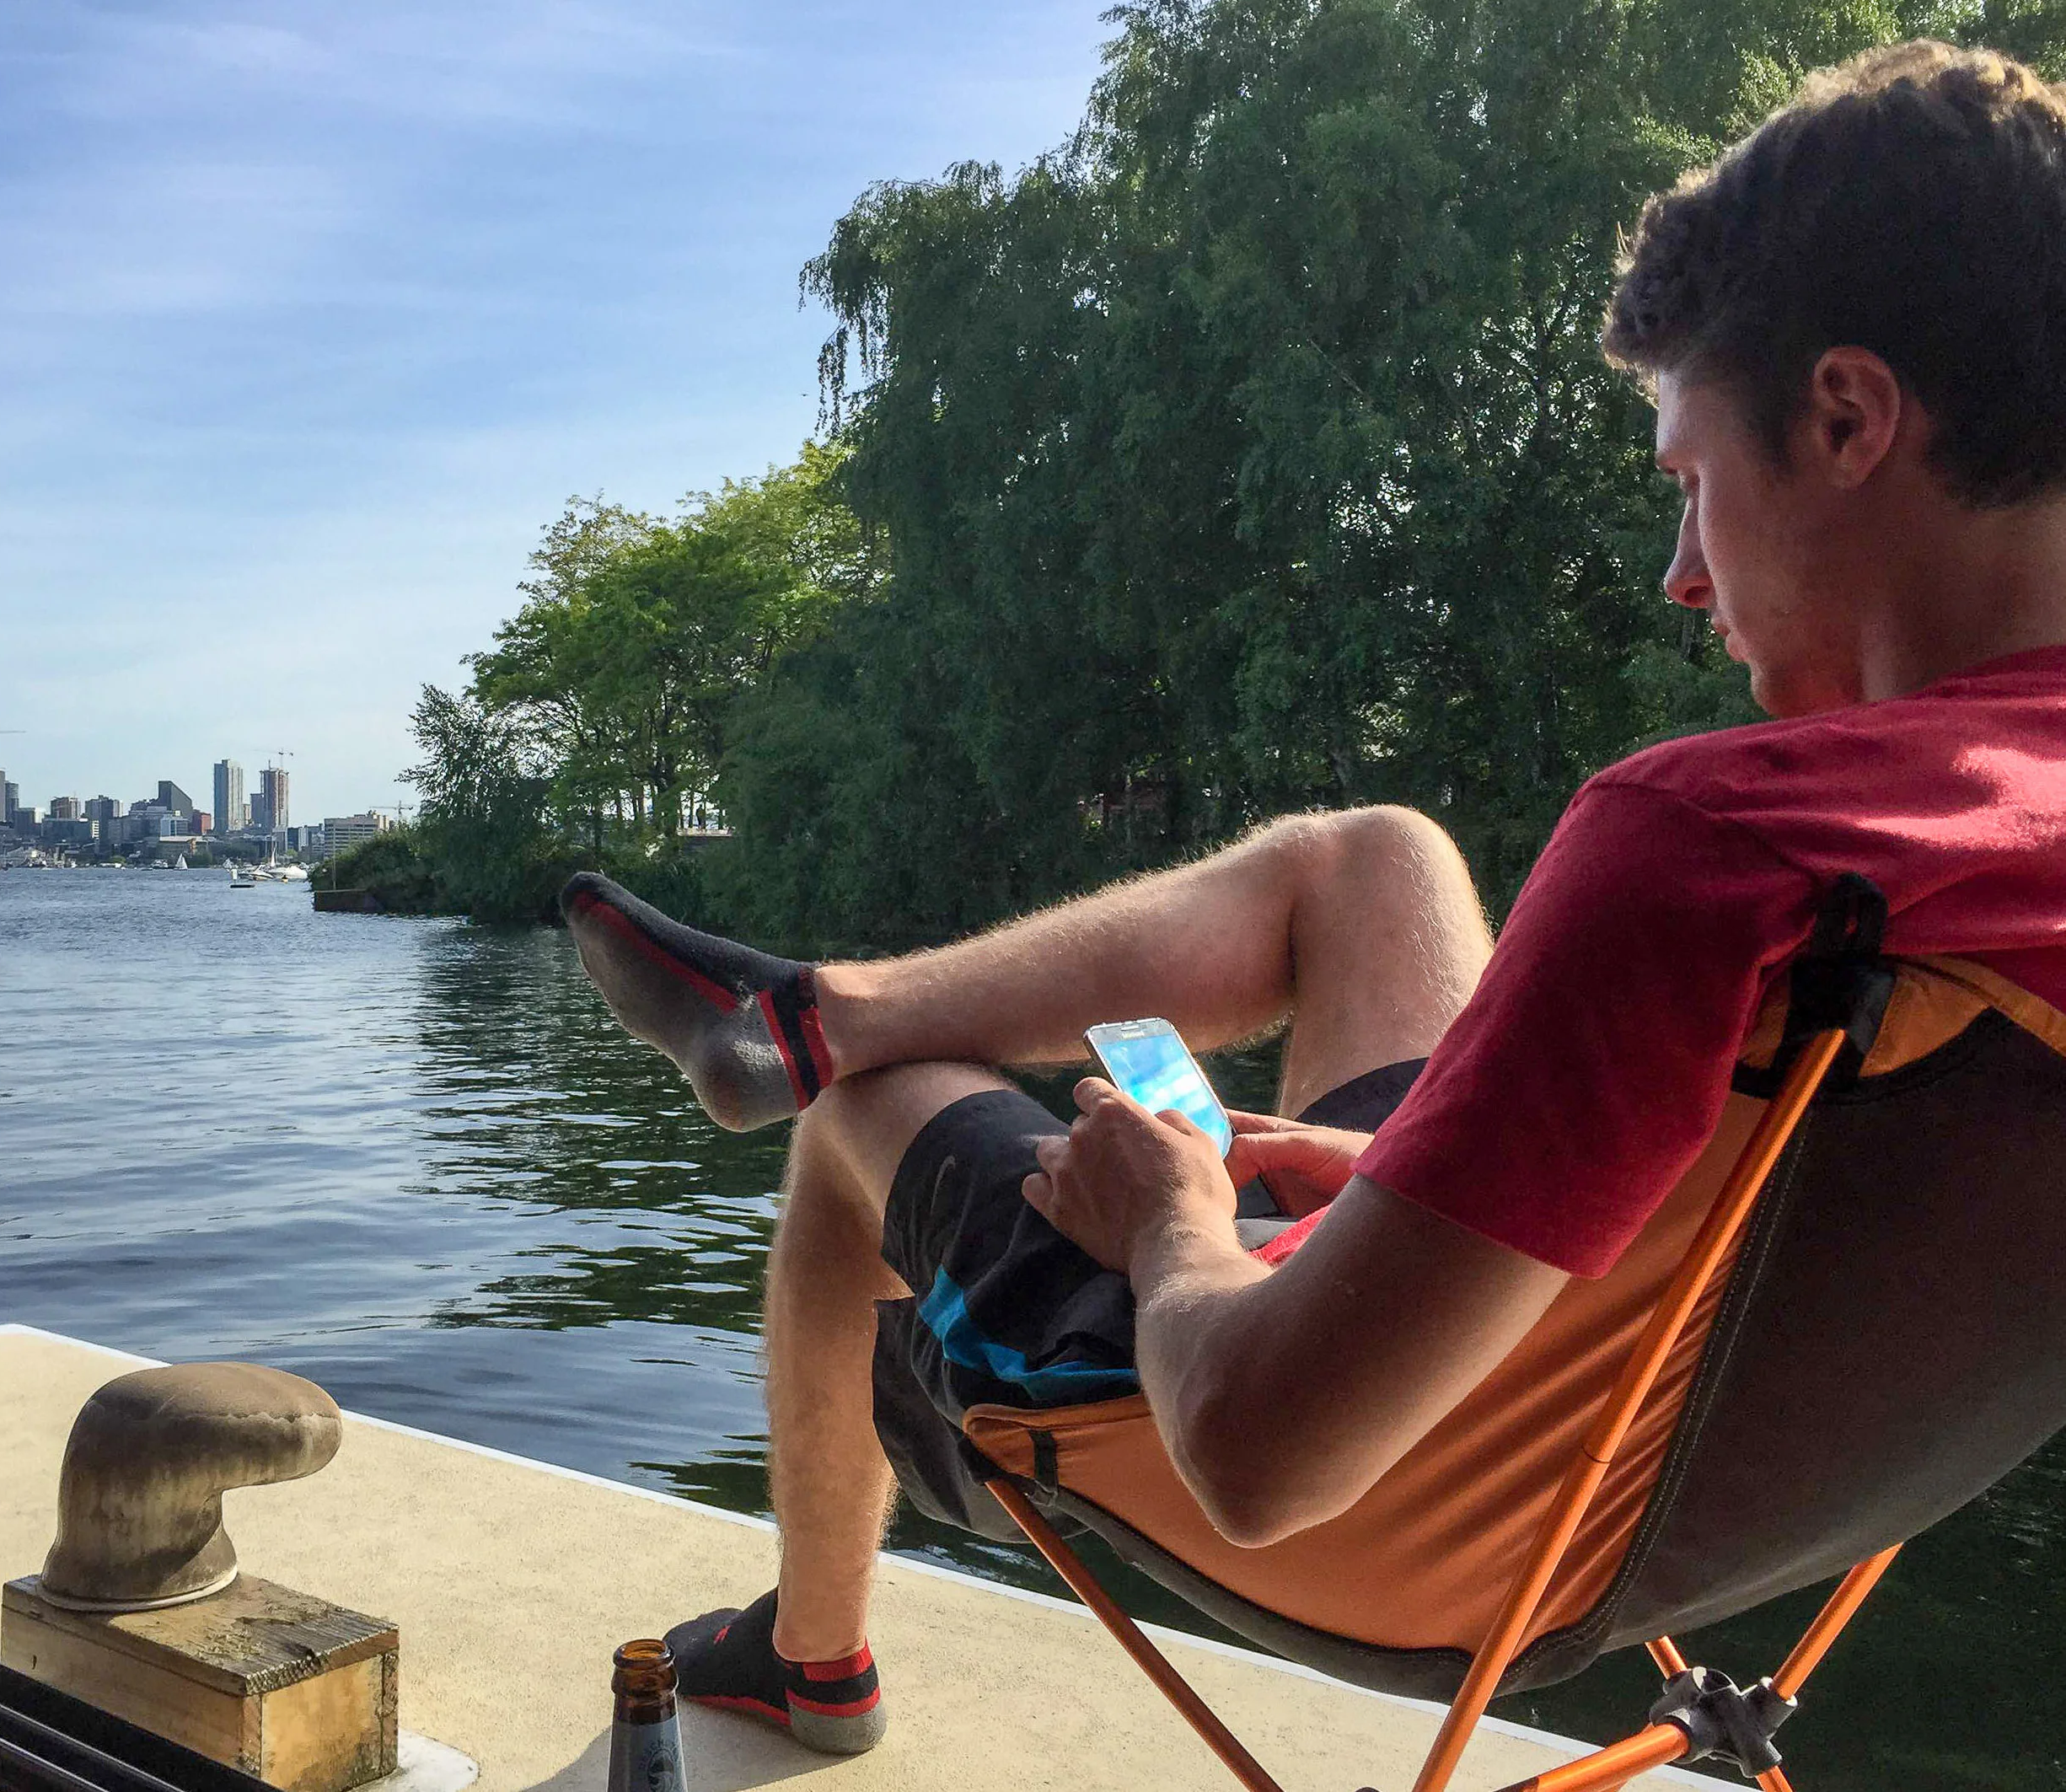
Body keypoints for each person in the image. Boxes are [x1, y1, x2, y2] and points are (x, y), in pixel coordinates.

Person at [561, 40, 2066, 1756]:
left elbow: (1267, 1458)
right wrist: (1392, 1177)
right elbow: (1780, 1219)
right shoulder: (1955, 848)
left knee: (863, 1128)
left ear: (1848, 417)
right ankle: (812, 1006)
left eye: (1688, 482)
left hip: (1424, 1512)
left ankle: (811, 1648)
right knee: (1380, 861)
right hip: (1656, 1449)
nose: (1680, 575)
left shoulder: (1717, 839)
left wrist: (1167, 1219)